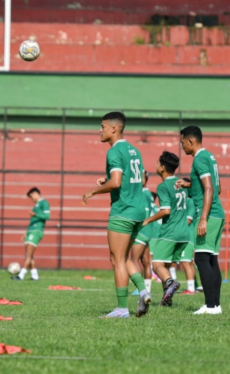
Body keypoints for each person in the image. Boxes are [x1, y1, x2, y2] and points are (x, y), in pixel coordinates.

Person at [82, 112, 152, 318]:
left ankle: (122, 309)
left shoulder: (113, 152)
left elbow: (117, 182)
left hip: (123, 211)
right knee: (124, 257)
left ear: (114, 128)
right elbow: (135, 180)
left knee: (117, 259)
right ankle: (144, 291)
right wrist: (108, 179)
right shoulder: (134, 150)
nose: (100, 130)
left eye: (102, 126)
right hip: (138, 210)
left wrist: (92, 191)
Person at [176, 126, 225, 315]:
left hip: (209, 214)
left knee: (202, 259)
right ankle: (216, 305)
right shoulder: (210, 157)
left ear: (191, 141)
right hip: (217, 213)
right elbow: (216, 188)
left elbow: (210, 189)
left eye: (182, 143)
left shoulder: (199, 159)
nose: (182, 147)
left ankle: (210, 305)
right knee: (211, 259)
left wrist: (203, 217)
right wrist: (189, 185)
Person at [142, 151, 190, 306]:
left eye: (157, 163)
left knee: (156, 265)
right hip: (184, 233)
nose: (156, 165)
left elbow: (166, 211)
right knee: (165, 266)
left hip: (170, 232)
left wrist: (148, 220)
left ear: (162, 167)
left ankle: (171, 283)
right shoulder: (182, 183)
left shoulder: (163, 186)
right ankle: (167, 300)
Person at [12, 187, 50, 281]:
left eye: (31, 196)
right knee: (30, 254)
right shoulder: (36, 205)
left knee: (28, 254)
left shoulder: (44, 203)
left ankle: (21, 275)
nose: (31, 199)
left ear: (35, 193)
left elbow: (47, 216)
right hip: (31, 231)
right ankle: (35, 276)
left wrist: (36, 214)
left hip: (37, 231)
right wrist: (26, 232)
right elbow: (32, 221)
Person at [130, 171, 154, 294]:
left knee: (133, 260)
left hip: (141, 230)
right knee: (146, 262)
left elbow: (143, 213)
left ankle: (140, 289)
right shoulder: (148, 193)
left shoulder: (142, 194)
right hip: (148, 231)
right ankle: (147, 289)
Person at [179, 180, 199, 295]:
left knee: (186, 262)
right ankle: (193, 287)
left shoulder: (190, 201)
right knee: (189, 262)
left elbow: (188, 220)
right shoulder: (187, 201)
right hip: (188, 236)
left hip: (188, 237)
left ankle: (191, 289)